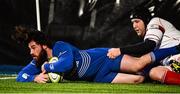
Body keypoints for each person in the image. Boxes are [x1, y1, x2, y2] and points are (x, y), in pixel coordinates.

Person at [13, 26, 180, 84]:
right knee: (140, 79)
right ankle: (165, 69)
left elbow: (67, 64)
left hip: (103, 58)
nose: (31, 52)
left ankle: (175, 49)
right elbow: (21, 75)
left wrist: (47, 66)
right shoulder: (38, 61)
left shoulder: (59, 47)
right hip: (99, 77)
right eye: (30, 49)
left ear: (43, 45)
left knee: (139, 65)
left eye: (33, 47)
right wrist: (33, 78)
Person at [107, 6, 180, 85]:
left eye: (137, 21)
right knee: (155, 72)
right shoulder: (149, 35)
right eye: (133, 23)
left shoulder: (154, 21)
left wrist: (120, 50)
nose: (134, 26)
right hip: (174, 62)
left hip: (177, 56)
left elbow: (148, 46)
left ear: (146, 20)